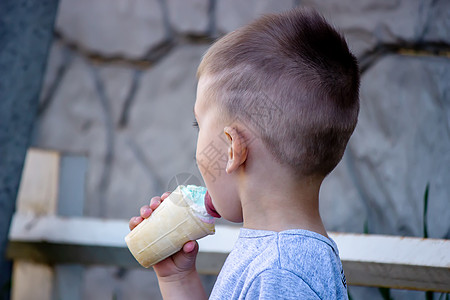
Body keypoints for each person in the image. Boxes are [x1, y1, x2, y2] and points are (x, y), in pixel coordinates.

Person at [129, 7, 359, 300]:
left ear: (233, 149)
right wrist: (177, 279)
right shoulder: (286, 258)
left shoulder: (278, 273)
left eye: (198, 125)